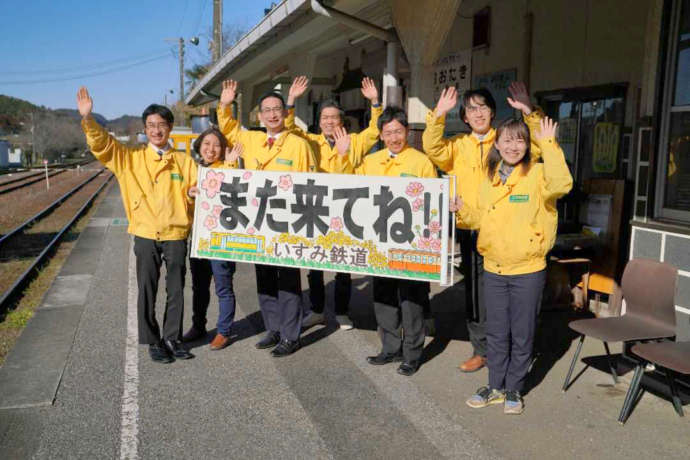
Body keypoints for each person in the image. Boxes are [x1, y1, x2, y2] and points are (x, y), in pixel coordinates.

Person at [423, 82, 544, 373]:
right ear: (464, 116)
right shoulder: (457, 146)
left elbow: (538, 148)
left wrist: (528, 111)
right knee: (476, 294)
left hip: (505, 228)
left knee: (507, 292)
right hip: (469, 227)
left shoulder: (506, 140)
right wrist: (437, 115)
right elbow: (432, 147)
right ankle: (482, 350)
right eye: (471, 109)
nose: (478, 114)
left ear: (493, 111)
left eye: (483, 107)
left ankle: (514, 351)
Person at [454, 117, 572, 414]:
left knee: (522, 332)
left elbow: (563, 184)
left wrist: (549, 144)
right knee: (496, 331)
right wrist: (461, 210)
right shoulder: (490, 178)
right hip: (493, 267)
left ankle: (514, 390)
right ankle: (495, 386)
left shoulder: (539, 173)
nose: (513, 146)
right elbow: (480, 218)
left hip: (528, 269)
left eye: (519, 140)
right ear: (497, 144)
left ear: (527, 144)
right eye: (507, 140)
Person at [76, 87, 196, 363]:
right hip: (144, 232)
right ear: (145, 129)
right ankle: (153, 340)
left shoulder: (184, 161)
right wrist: (88, 120)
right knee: (147, 287)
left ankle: (172, 337)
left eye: (162, 125)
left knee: (176, 287)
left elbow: (197, 187)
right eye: (151, 125)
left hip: (176, 232)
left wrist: (193, 193)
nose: (157, 130)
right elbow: (103, 145)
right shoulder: (130, 159)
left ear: (170, 128)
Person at [216, 79, 315, 357]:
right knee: (265, 279)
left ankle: (291, 335)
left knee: (288, 281)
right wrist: (224, 104)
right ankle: (273, 328)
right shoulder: (251, 139)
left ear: (285, 113)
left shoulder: (299, 145)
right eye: (267, 110)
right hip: (258, 224)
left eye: (277, 109)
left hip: (288, 224)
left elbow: (313, 183)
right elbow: (228, 127)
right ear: (259, 116)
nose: (272, 114)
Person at [285, 75, 383, 330]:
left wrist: (374, 102)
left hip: (344, 212)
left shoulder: (355, 141)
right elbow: (291, 130)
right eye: (325, 118)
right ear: (319, 122)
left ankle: (341, 311)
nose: (329, 121)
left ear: (342, 121)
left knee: (343, 264)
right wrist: (291, 100)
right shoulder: (311, 142)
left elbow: (375, 130)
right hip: (315, 210)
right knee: (313, 263)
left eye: (334, 117)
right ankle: (317, 310)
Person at [347, 106, 436, 377]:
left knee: (412, 300)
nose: (394, 137)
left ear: (407, 131)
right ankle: (390, 347)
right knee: (383, 296)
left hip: (411, 245)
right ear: (381, 136)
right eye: (388, 133)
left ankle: (412, 353)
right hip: (380, 243)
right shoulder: (371, 162)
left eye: (398, 131)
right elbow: (352, 188)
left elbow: (432, 200)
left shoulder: (421, 162)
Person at [183, 128, 243, 350]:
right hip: (198, 239)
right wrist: (189, 192)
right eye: (206, 144)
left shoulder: (229, 168)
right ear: (199, 146)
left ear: (223, 149)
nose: (211, 149)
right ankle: (198, 326)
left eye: (216, 145)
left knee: (223, 287)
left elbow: (230, 192)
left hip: (221, 239)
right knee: (199, 286)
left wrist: (229, 165)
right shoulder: (194, 170)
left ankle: (224, 331)